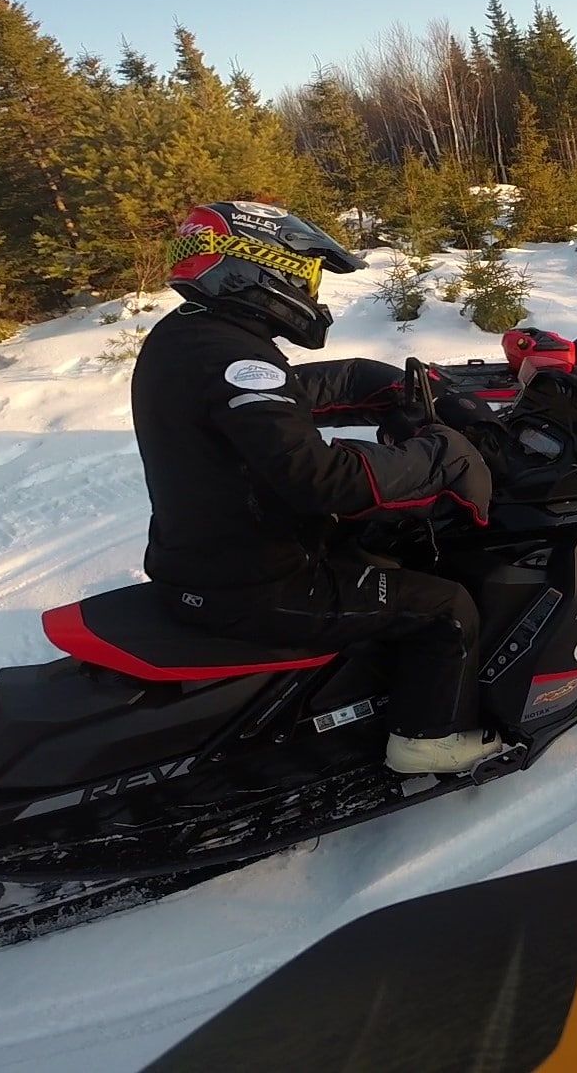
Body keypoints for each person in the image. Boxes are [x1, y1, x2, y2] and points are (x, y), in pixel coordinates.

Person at [131, 201, 503, 776]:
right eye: (306, 274)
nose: (311, 289)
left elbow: (288, 395)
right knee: (446, 607)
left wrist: (382, 383)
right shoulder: (232, 356)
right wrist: (440, 456)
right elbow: (320, 480)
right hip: (258, 583)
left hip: (208, 558)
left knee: (379, 549)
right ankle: (427, 740)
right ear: (256, 268)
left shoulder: (192, 338)